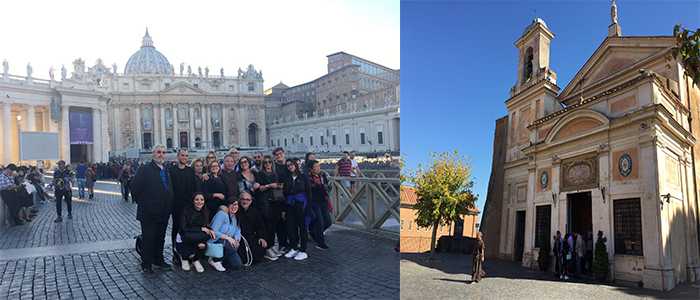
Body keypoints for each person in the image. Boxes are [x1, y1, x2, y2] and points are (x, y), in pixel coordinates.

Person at [130, 145, 174, 273]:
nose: (161, 154)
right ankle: (146, 264)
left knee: (160, 238)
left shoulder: (165, 169)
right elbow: (134, 187)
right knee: (149, 238)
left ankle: (158, 260)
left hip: (164, 211)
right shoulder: (145, 169)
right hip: (149, 212)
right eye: (158, 152)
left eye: (163, 152)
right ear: (153, 154)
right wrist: (144, 203)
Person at [169, 149, 197, 263]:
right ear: (178, 156)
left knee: (187, 229)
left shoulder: (190, 171)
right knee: (176, 229)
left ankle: (186, 252)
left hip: (188, 206)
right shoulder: (171, 170)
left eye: (186, 155)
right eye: (182, 155)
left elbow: (194, 188)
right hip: (176, 206)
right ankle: (175, 252)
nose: (185, 157)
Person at [255, 156, 285, 259]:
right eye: (265, 162)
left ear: (272, 163)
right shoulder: (260, 174)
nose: (267, 164)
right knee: (267, 224)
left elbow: (282, 185)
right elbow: (260, 188)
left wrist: (276, 185)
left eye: (269, 162)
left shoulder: (276, 173)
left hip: (276, 201)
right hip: (265, 202)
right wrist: (270, 185)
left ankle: (271, 246)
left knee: (274, 224)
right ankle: (267, 248)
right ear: (263, 164)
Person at [175, 193, 213, 273]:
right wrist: (201, 229)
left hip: (196, 236)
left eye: (202, 200)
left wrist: (210, 230)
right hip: (185, 237)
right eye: (197, 199)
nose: (199, 202)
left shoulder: (206, 210)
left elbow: (205, 226)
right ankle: (184, 258)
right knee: (191, 238)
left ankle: (196, 259)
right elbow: (184, 228)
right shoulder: (186, 210)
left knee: (205, 241)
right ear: (193, 201)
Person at [283, 159, 310, 261]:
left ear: (296, 165)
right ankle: (294, 247)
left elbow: (309, 192)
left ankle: (303, 250)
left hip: (301, 204)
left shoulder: (303, 177)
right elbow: (285, 192)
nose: (290, 167)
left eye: (291, 164)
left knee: (302, 228)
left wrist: (308, 207)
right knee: (291, 227)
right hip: (290, 204)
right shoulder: (287, 178)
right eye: (288, 165)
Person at [237, 191, 270, 263]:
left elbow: (260, 227)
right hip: (238, 238)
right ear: (239, 200)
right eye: (243, 199)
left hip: (251, 237)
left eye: (248, 199)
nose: (245, 201)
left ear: (251, 201)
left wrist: (262, 237)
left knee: (259, 252)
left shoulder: (255, 212)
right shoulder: (235, 210)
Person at [210, 201, 243, 271]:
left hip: (227, 244)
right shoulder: (221, 214)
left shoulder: (234, 217)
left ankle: (220, 259)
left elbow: (237, 230)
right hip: (216, 241)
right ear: (228, 205)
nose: (234, 206)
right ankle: (215, 259)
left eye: (236, 205)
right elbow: (213, 231)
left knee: (237, 265)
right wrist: (228, 238)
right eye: (232, 204)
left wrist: (237, 239)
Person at [307, 160, 331, 249]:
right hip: (314, 201)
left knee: (328, 222)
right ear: (311, 169)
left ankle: (314, 232)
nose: (318, 168)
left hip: (323, 201)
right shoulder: (308, 178)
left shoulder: (323, 175)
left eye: (318, 166)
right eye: (316, 167)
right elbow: (310, 189)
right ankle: (320, 243)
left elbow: (328, 186)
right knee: (319, 222)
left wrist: (326, 187)